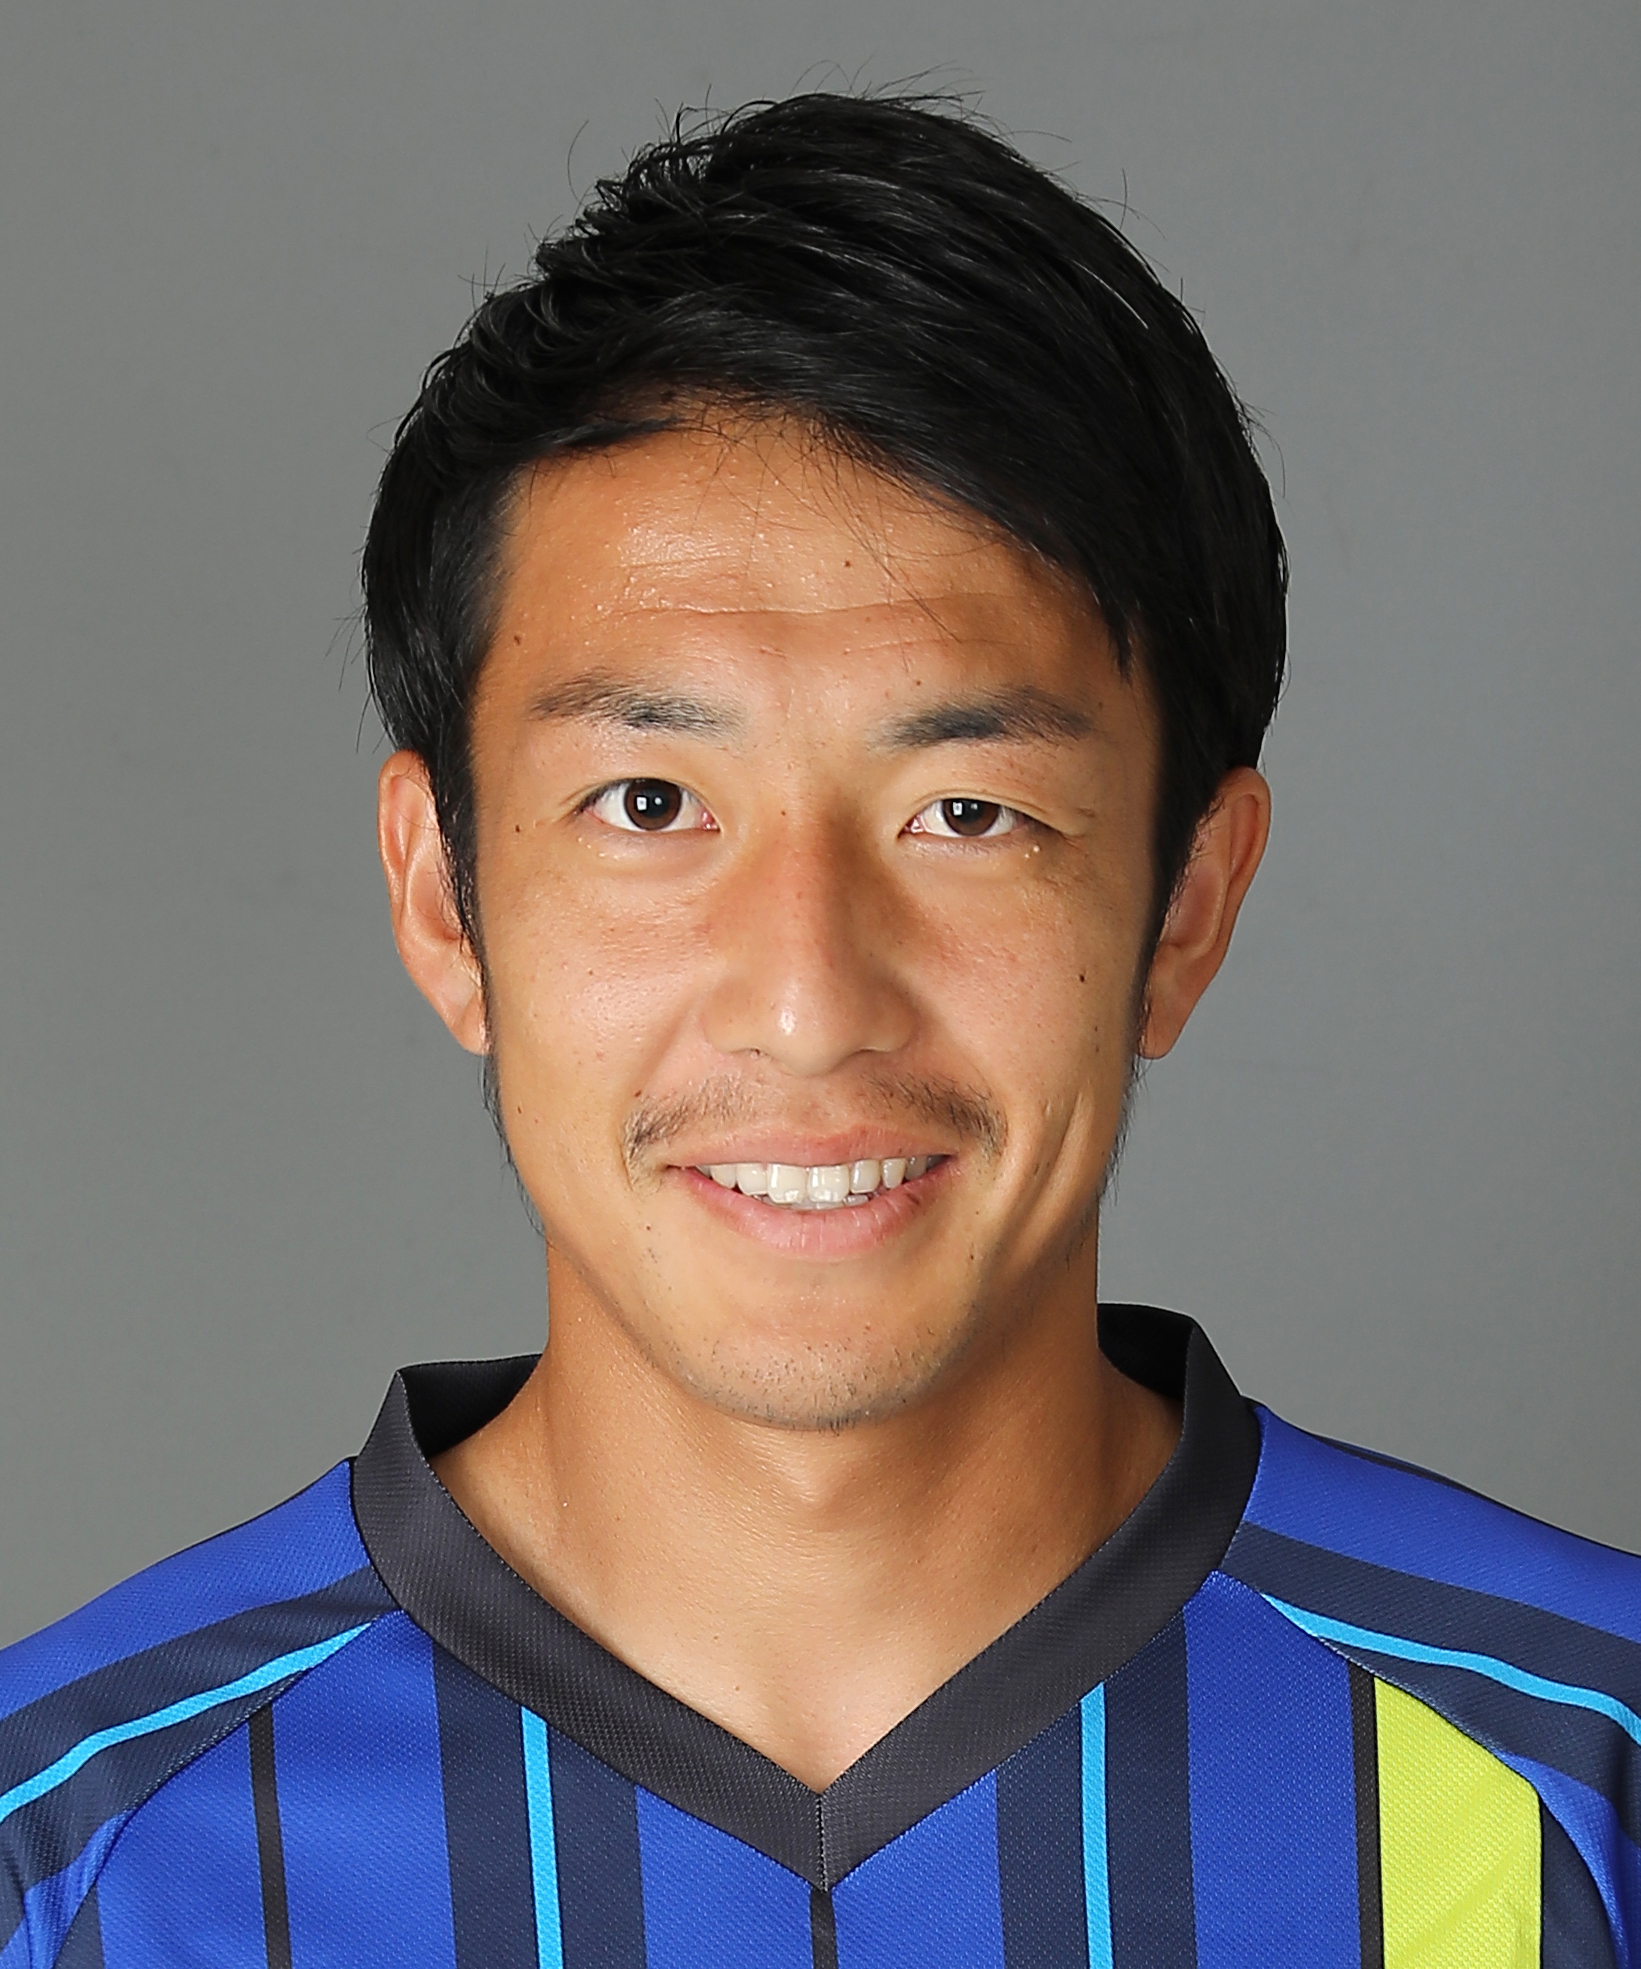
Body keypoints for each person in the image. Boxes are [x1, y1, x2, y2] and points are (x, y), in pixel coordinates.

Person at [0, 91, 1635, 1969]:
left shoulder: (1588, 1794)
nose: (804, 1000)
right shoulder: (66, 1865)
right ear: (444, 899)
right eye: (648, 803)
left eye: (967, 814)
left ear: (1185, 903)